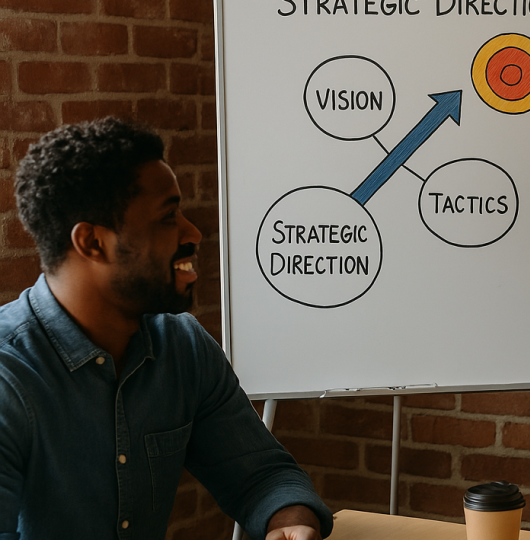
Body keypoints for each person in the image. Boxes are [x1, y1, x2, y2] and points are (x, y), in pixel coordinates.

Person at [0, 118, 332, 540]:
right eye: (167, 217)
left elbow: (260, 475)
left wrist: (289, 520)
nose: (193, 232)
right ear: (92, 243)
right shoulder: (8, 377)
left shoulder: (183, 346)